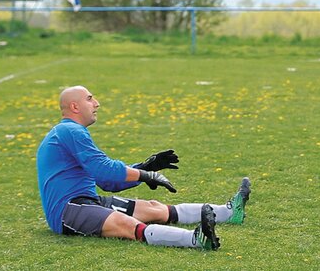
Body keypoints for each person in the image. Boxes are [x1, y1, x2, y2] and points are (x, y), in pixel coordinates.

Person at [36, 85, 251, 250]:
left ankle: (228, 213)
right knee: (124, 223)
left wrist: (145, 168)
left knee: (152, 208)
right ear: (74, 106)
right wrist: (146, 174)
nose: (97, 103)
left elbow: (107, 182)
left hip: (87, 201)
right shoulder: (70, 131)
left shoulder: (70, 132)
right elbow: (103, 168)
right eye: (90, 98)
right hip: (68, 210)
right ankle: (196, 239)